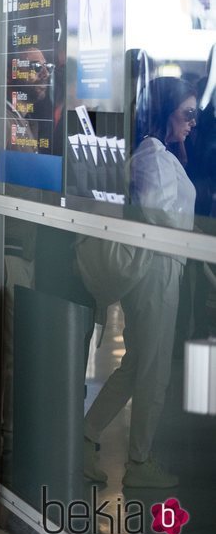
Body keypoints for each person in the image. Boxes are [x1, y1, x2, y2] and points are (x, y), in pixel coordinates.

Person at [82, 77, 196, 488]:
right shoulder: (151, 153)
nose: (193, 122)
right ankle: (139, 461)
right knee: (153, 368)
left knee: (138, 364)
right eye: (187, 112)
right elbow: (156, 208)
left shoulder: (158, 152)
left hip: (161, 265)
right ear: (166, 110)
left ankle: (87, 435)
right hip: (157, 268)